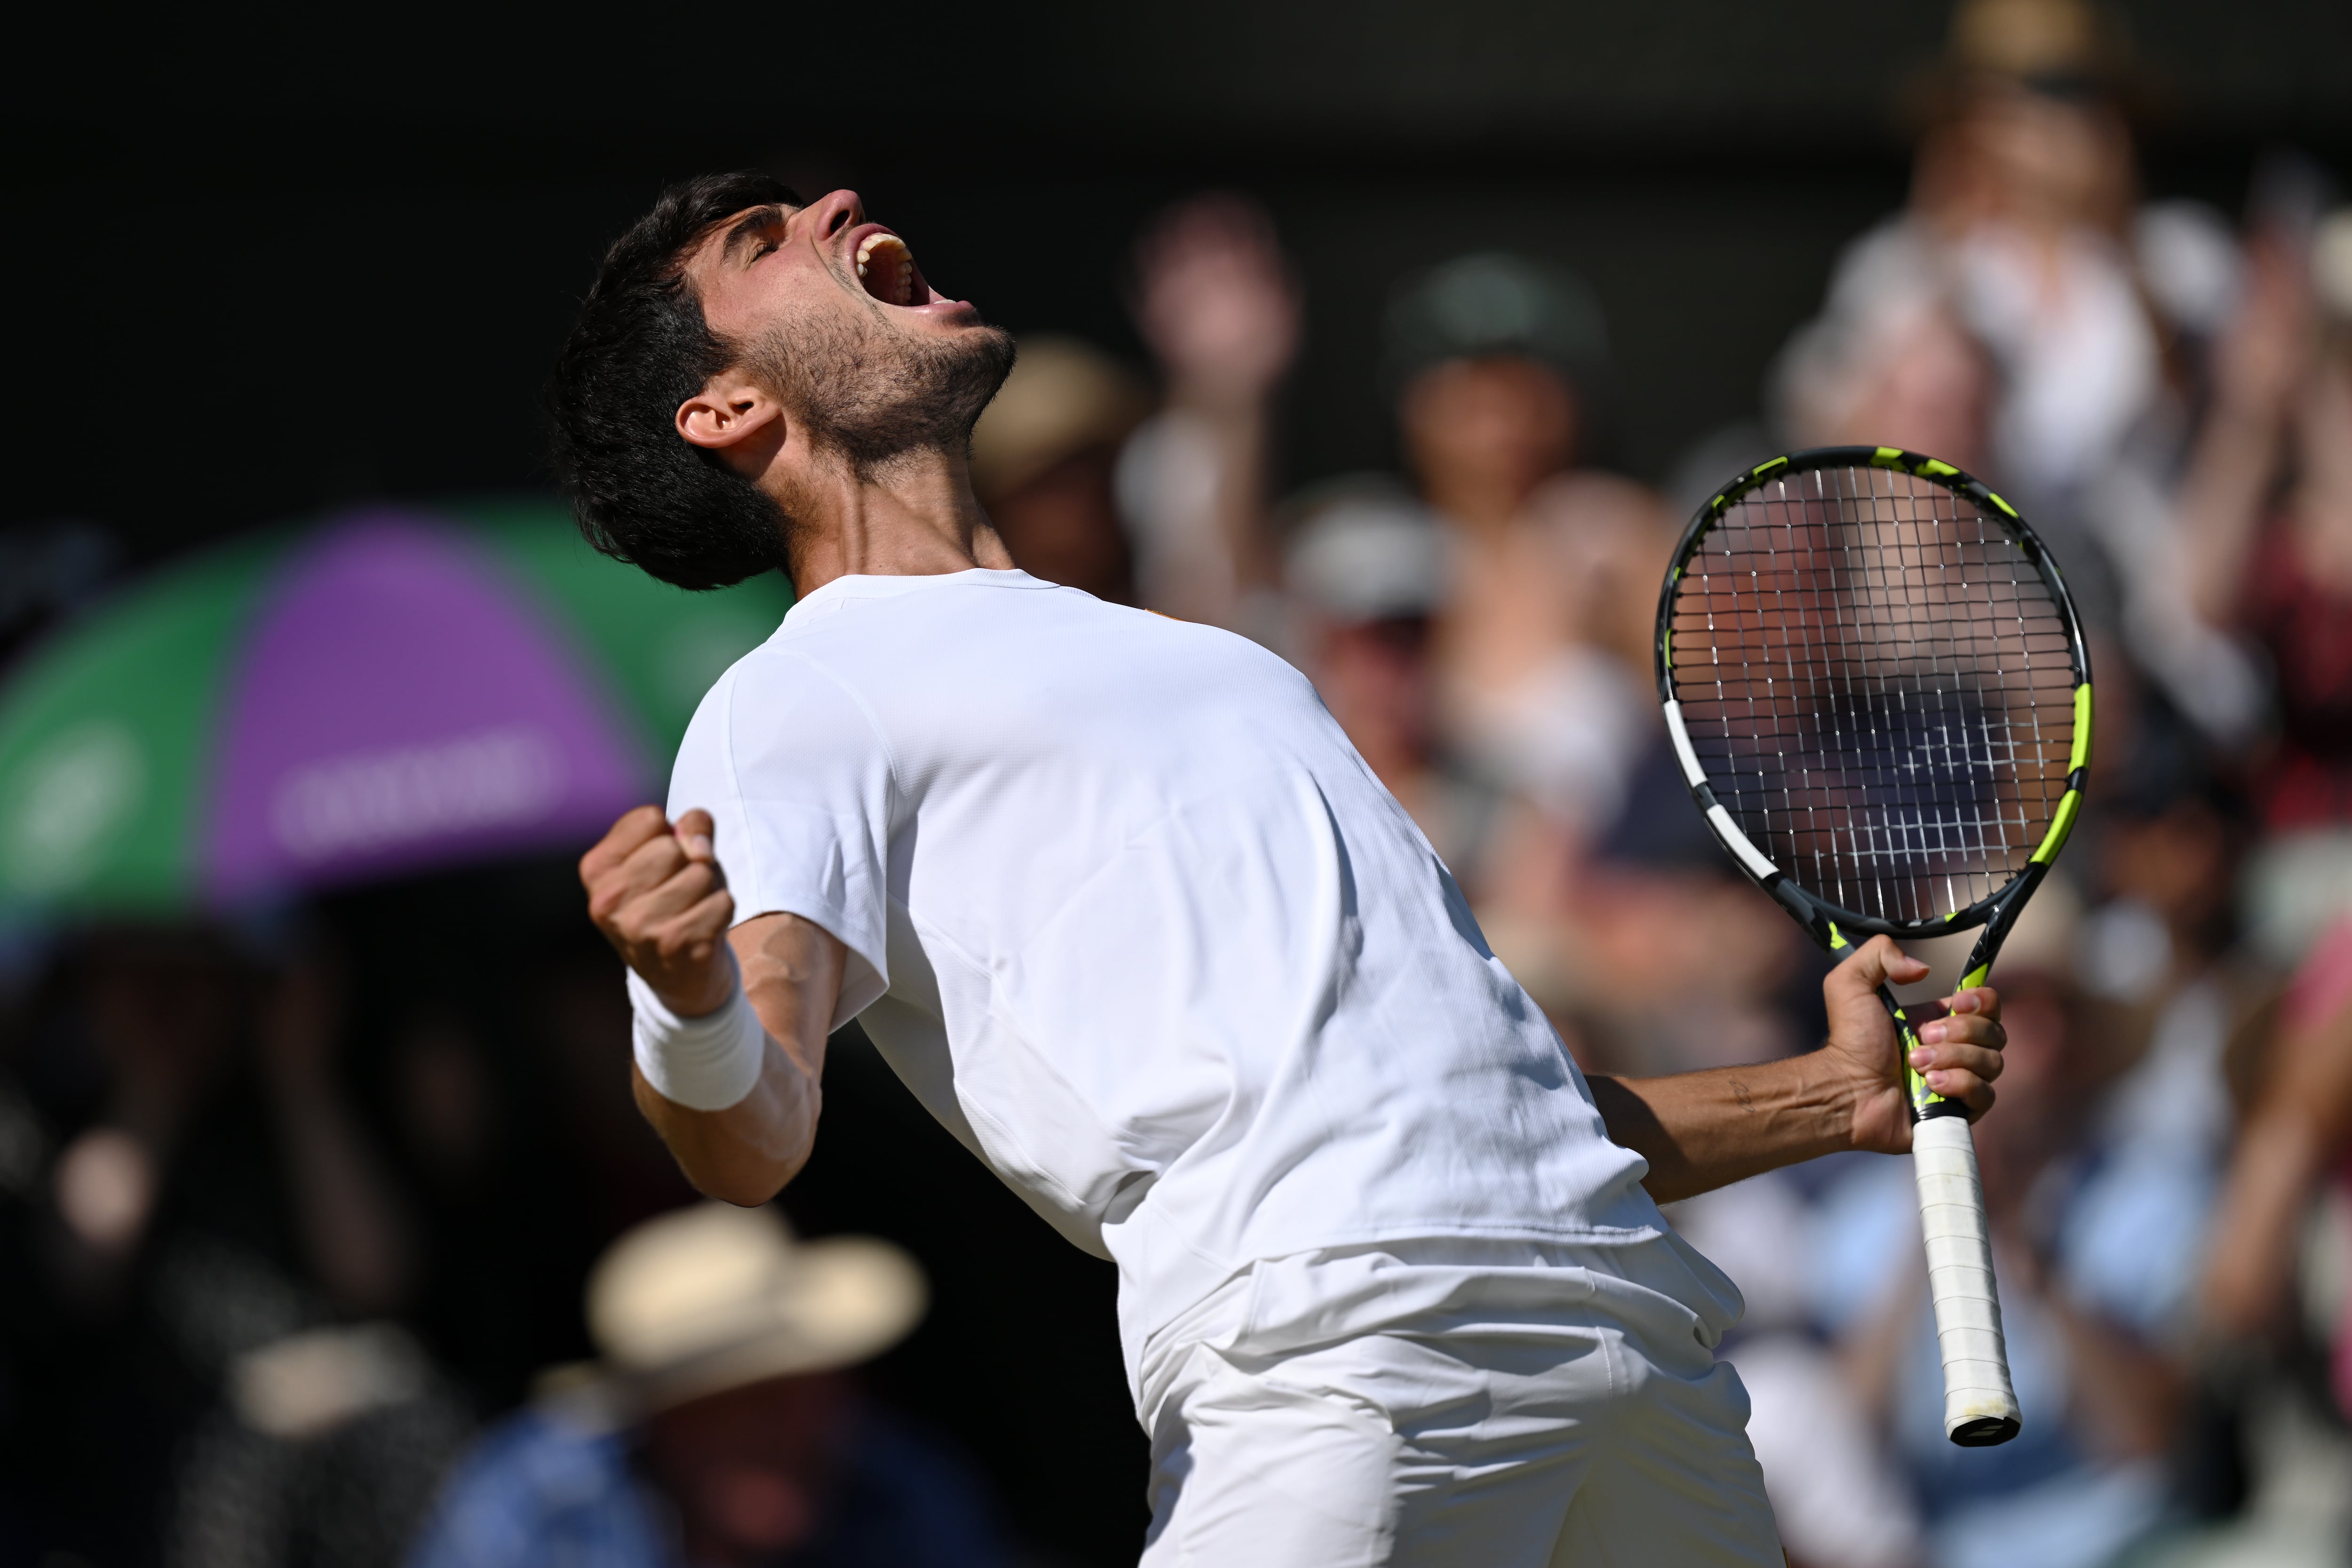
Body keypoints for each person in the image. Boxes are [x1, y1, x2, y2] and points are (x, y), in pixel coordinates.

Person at [543, 172, 2013, 1566]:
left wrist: (1827, 1098)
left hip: (1638, 1355)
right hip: (1338, 1360)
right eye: (763, 240)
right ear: (726, 408)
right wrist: (683, 993)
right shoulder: (791, 703)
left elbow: (1486, 1107)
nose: (834, 209)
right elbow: (751, 1137)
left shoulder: (1217, 660)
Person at [410, 1201, 1009, 1568]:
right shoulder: (534, 1510)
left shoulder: (898, 1495)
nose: (792, 1431)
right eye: (746, 1402)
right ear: (660, 1422)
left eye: (805, 1391)